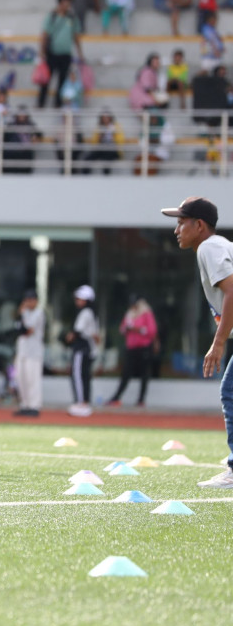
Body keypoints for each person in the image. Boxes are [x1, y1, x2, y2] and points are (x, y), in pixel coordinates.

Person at [162, 197, 233, 488]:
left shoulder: (209, 246)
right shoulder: (218, 246)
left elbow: (232, 293)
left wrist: (217, 345)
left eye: (181, 223)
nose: (176, 230)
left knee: (230, 392)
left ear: (199, 225)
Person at [106, 296, 158, 408]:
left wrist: (137, 329)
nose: (132, 307)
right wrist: (128, 329)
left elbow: (152, 330)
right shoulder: (129, 314)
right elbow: (122, 329)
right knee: (126, 373)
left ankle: (141, 400)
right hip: (131, 348)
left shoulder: (146, 313)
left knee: (144, 374)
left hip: (144, 347)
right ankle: (116, 398)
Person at [39, 0, 83, 109]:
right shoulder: (52, 16)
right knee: (46, 80)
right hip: (52, 53)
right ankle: (41, 103)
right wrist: (42, 51)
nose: (66, 6)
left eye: (68, 3)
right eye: (64, 3)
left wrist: (80, 52)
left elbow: (76, 36)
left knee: (62, 80)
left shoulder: (72, 18)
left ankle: (58, 103)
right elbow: (45, 34)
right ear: (59, 4)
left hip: (66, 54)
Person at [65, 284, 99, 417]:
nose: (77, 301)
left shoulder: (85, 312)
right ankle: (84, 402)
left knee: (78, 375)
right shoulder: (92, 313)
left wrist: (67, 337)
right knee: (84, 376)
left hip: (82, 347)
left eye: (80, 298)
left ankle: (81, 403)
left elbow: (76, 332)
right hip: (88, 349)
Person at [13, 290, 45, 417]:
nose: (29, 302)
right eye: (27, 300)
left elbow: (27, 330)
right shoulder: (23, 313)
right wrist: (21, 314)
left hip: (34, 352)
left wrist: (21, 315)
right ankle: (25, 405)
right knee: (21, 379)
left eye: (32, 300)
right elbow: (17, 329)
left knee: (33, 380)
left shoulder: (39, 313)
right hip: (22, 351)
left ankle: (34, 406)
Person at [85, 108, 125, 174]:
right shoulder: (99, 127)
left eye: (107, 117)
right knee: (88, 158)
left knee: (106, 160)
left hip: (112, 149)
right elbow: (93, 143)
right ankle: (85, 176)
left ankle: (106, 179)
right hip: (101, 148)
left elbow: (120, 141)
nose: (105, 119)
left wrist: (113, 135)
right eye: (104, 117)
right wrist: (99, 137)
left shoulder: (116, 127)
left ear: (110, 118)